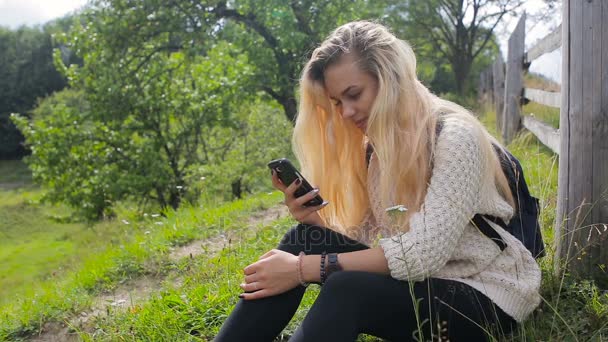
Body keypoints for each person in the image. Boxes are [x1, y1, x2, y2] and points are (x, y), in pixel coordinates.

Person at [214, 20, 541, 342]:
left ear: (391, 78)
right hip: (425, 282)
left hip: (484, 294)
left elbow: (419, 254)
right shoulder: (378, 151)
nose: (346, 112)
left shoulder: (456, 138)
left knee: (346, 289)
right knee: (307, 237)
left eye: (354, 94)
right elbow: (374, 239)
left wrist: (302, 269)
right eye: (338, 102)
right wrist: (314, 221)